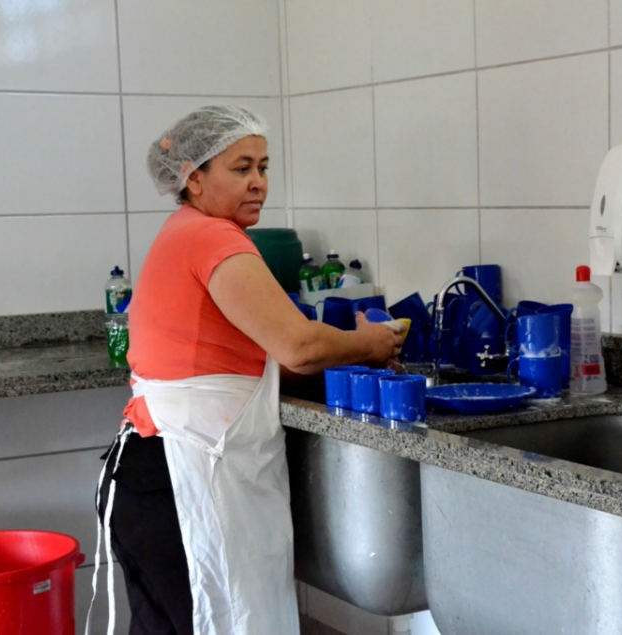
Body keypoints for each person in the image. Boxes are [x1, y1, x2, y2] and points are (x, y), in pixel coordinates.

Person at [89, 104, 404, 635]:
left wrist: (333, 360)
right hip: (182, 481)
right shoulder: (213, 238)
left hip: (150, 475)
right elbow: (299, 344)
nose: (258, 182)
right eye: (241, 168)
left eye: (263, 167)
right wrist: (369, 345)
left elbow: (238, 365)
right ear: (193, 177)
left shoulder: (185, 231)